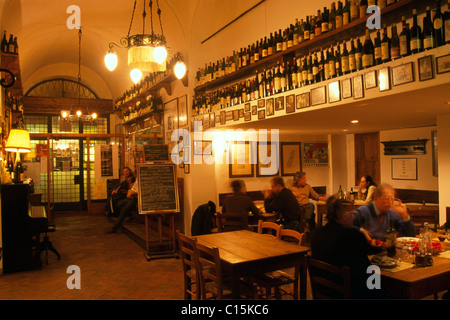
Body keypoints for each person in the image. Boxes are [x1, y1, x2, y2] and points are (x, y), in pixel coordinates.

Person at [310, 195, 385, 299]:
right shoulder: (352, 235)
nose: (354, 216)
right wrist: (384, 248)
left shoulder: (315, 234)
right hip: (347, 292)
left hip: (324, 289)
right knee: (379, 279)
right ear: (343, 215)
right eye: (352, 213)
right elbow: (369, 259)